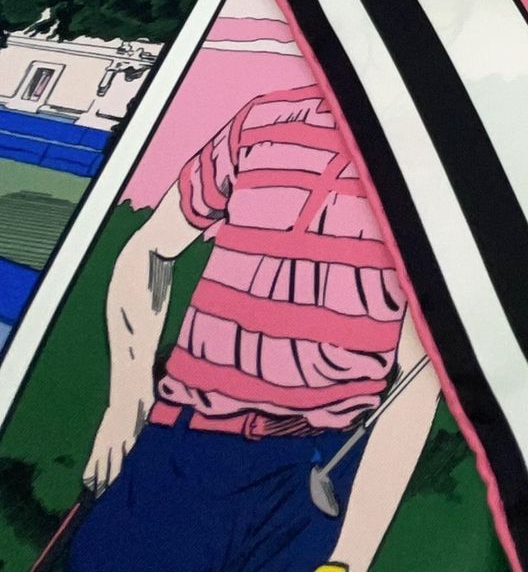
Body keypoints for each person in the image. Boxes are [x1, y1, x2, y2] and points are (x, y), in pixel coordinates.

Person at [69, 86, 440, 572]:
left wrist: (350, 557)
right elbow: (151, 249)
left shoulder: (436, 174)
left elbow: (418, 378)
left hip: (316, 475)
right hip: (184, 448)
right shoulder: (264, 118)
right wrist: (126, 403)